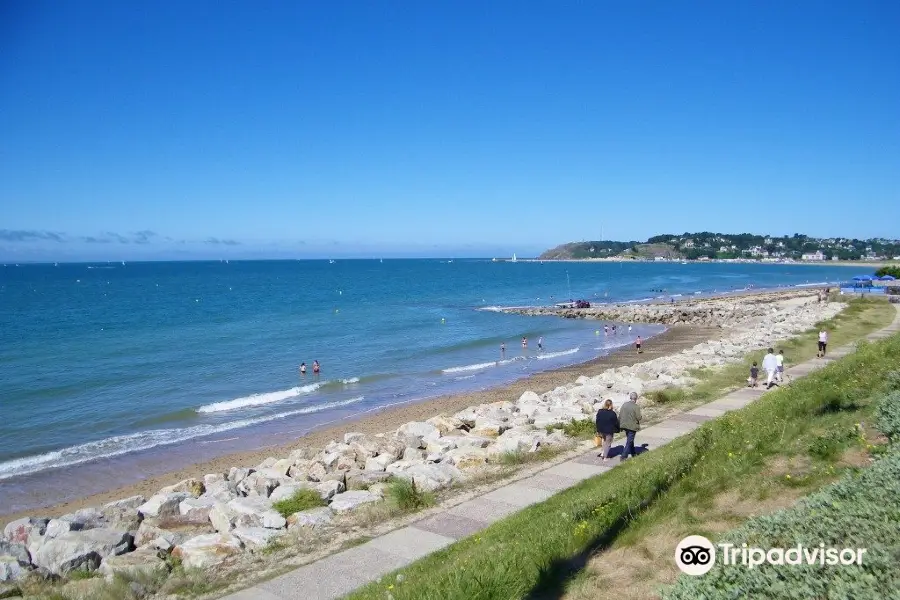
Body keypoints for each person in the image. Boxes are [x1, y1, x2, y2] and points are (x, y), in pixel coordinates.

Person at [618, 392, 642, 461]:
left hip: (624, 425)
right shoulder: (636, 406)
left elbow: (620, 415)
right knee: (629, 441)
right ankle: (623, 456)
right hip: (632, 426)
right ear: (636, 398)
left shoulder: (624, 405)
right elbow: (639, 417)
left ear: (630, 397)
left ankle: (633, 453)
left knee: (630, 440)